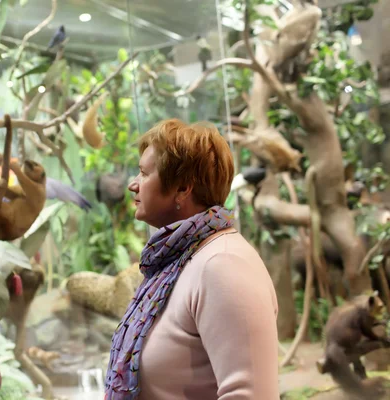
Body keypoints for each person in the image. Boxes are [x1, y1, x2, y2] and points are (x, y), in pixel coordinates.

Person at [104, 119, 279, 400]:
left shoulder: (223, 264)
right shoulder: (177, 261)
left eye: (144, 174)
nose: (132, 185)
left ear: (183, 188)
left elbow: (250, 395)